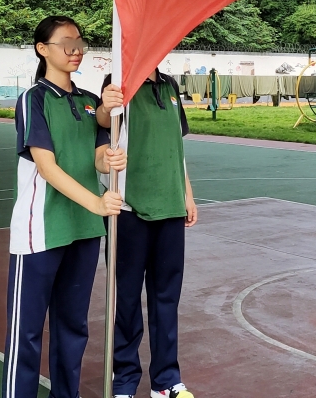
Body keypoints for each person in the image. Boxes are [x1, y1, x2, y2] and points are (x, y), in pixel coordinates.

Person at [2, 16, 127, 398]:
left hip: (84, 231)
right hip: (41, 230)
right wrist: (97, 202)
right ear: (43, 49)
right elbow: (47, 166)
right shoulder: (34, 100)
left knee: (73, 327)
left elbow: (95, 157)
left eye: (80, 43)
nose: (76, 50)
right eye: (66, 43)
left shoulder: (88, 101)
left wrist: (108, 159)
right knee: (26, 332)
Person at [102, 69, 198, 398]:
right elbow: (103, 124)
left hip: (170, 207)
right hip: (131, 209)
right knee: (126, 299)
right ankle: (125, 380)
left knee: (166, 299)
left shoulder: (170, 85)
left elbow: (176, 147)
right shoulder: (119, 81)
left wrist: (186, 193)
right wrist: (104, 105)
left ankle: (166, 380)